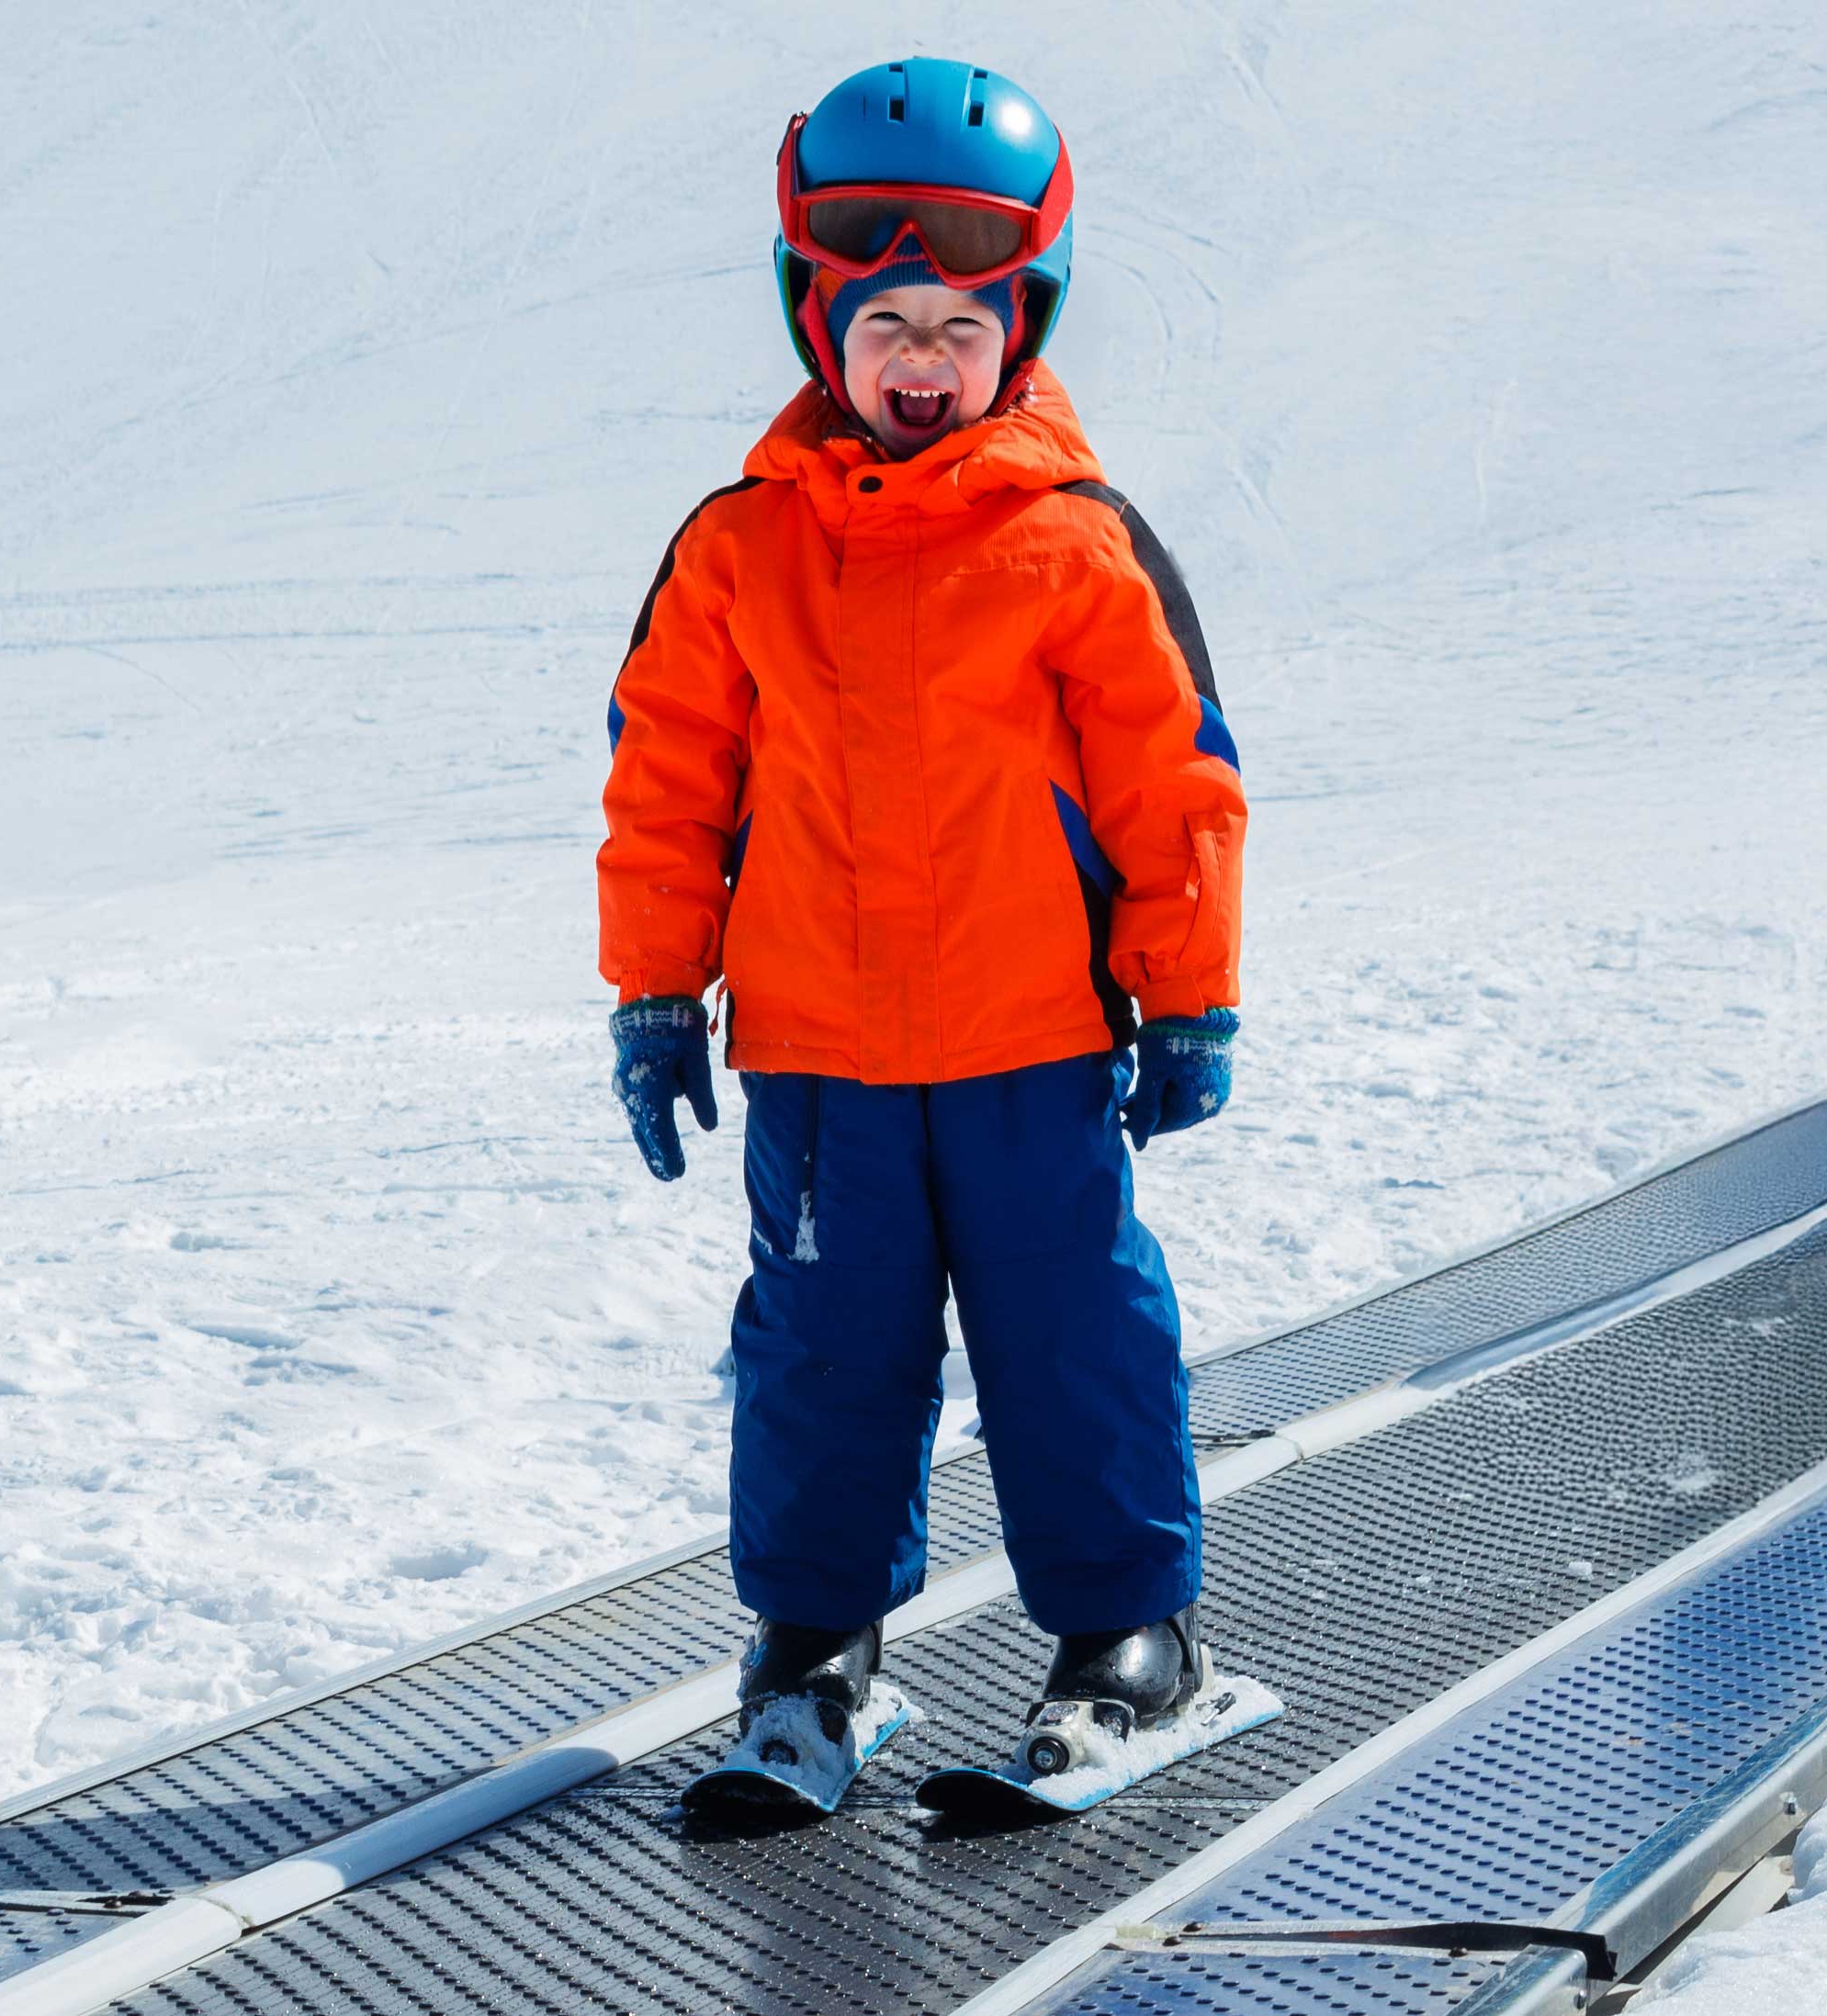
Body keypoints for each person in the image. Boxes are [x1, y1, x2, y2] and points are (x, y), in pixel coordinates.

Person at [597, 57, 1246, 1763]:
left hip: (1030, 1043)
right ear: (820, 330)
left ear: (1018, 336)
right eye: (885, 323)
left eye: (959, 329)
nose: (918, 363)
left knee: (1073, 1341)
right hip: (817, 1058)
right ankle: (813, 1655)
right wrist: (657, 995)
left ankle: (1127, 1635)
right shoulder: (738, 551)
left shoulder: (1074, 545)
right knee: (823, 1361)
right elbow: (666, 790)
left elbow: (1171, 783)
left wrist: (1186, 997)